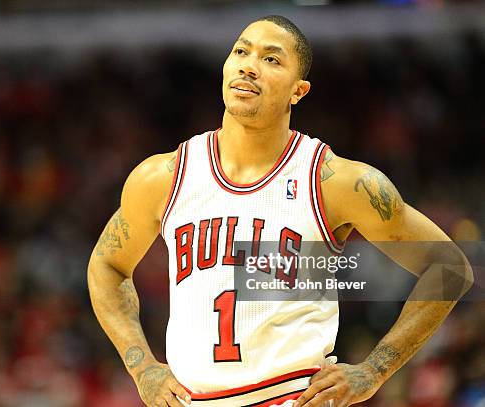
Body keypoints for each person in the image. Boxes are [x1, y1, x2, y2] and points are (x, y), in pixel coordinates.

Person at [88, 15, 473, 407]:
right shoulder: (163, 177)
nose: (249, 65)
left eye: (271, 59)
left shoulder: (333, 181)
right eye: (241, 51)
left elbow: (449, 267)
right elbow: (107, 265)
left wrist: (374, 370)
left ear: (298, 91)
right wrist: (142, 367)